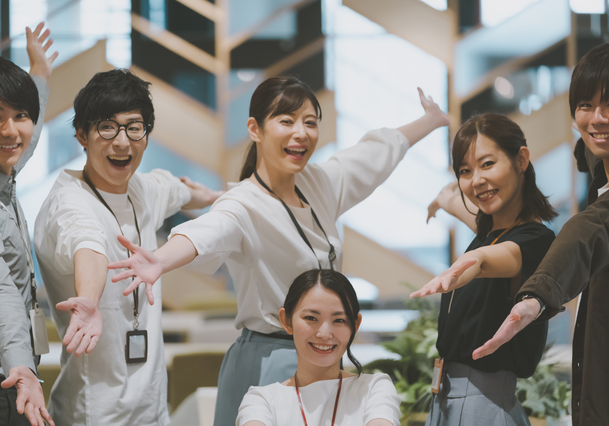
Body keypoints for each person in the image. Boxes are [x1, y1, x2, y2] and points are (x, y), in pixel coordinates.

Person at [108, 75, 448, 426]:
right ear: (255, 129)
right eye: (286, 121)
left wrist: (430, 120)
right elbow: (208, 231)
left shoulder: (318, 183)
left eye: (310, 122)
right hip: (271, 359)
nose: (301, 132)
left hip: (323, 352)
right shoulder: (243, 202)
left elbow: (373, 154)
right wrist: (160, 260)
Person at [33, 69, 222, 426]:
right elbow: (88, 247)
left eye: (134, 128)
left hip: (152, 410)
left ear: (146, 135)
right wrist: (89, 300)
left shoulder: (143, 189)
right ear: (81, 134)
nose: (122, 142)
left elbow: (181, 190)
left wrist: (214, 196)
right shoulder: (68, 204)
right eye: (107, 127)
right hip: (93, 413)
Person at [470, 43, 609, 426]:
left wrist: (535, 298)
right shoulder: (597, 170)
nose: (597, 118)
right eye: (585, 105)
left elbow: (588, 231)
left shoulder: (595, 213)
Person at [410, 113, 557, 426]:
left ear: (521, 159)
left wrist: (466, 266)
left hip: (482, 405)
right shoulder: (489, 231)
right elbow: (459, 205)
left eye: (487, 164)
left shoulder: (535, 241)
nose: (476, 180)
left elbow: (489, 259)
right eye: (465, 170)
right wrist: (442, 200)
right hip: (446, 399)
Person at [0, 23, 57, 426]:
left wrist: (39, 74)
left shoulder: (0, 172)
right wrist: (21, 366)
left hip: (7, 382)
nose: (10, 130)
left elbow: (26, 138)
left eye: (20, 115)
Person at [236, 269, 401, 426]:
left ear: (355, 325)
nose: (324, 333)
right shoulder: (262, 400)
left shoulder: (373, 389)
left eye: (339, 320)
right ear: (286, 321)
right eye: (311, 318)